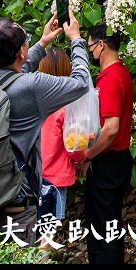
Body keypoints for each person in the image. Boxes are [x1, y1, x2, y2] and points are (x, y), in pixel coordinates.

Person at [0, 6, 91, 246]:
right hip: (14, 205)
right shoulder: (32, 87)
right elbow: (80, 83)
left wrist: (41, 44)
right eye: (26, 41)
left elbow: (10, 77)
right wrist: (76, 40)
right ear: (20, 52)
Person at [79, 24, 134, 265]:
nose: (90, 53)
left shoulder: (111, 79)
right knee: (109, 223)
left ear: (101, 44)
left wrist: (88, 155)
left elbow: (110, 129)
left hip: (108, 162)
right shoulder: (121, 72)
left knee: (102, 229)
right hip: (118, 160)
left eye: (90, 47)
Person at [37, 46, 88, 222]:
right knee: (49, 231)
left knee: (34, 226)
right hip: (56, 178)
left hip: (32, 175)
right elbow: (74, 146)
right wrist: (84, 158)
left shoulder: (33, 101)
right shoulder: (67, 105)